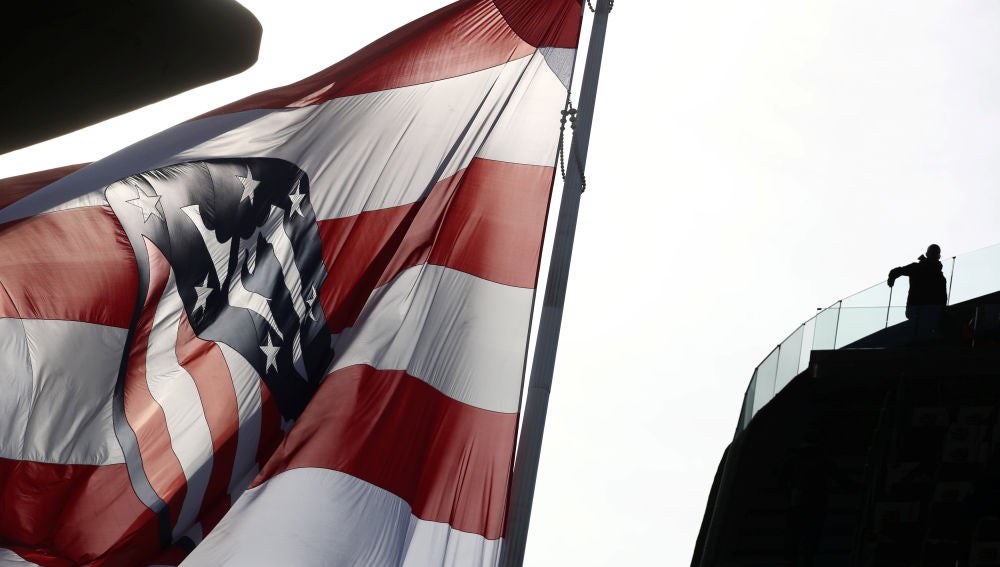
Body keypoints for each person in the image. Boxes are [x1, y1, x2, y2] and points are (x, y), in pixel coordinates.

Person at [887, 244, 947, 337]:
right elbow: (943, 299)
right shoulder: (940, 277)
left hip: (916, 311)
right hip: (927, 313)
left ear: (927, 254)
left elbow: (897, 271)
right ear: (938, 256)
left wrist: (891, 279)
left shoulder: (917, 268)